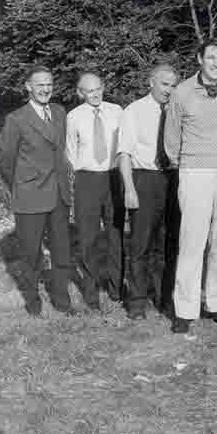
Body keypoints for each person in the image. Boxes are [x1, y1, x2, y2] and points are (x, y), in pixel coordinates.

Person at [165, 38, 217, 337]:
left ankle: (216, 302)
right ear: (200, 58)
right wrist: (185, 164)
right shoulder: (182, 91)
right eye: (211, 57)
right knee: (193, 241)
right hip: (194, 170)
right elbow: (171, 138)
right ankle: (184, 309)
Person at [0, 66, 74, 315]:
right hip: (30, 197)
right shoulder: (16, 119)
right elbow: (6, 162)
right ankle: (33, 304)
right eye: (39, 84)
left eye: (49, 84)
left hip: (59, 195)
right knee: (31, 255)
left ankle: (62, 302)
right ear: (28, 87)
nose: (45, 89)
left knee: (62, 252)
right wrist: (22, 187)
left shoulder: (60, 112)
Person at [117, 62, 179, 320]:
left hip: (173, 179)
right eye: (165, 84)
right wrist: (129, 188)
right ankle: (138, 301)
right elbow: (124, 154)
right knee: (141, 244)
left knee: (169, 244)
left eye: (174, 85)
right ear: (150, 82)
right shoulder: (134, 110)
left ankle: (167, 299)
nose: (169, 90)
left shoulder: (178, 109)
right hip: (145, 179)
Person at [66, 71, 124, 310]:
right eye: (89, 90)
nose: (95, 93)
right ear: (81, 93)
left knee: (115, 235)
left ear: (103, 87)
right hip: (87, 180)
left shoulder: (117, 111)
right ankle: (90, 292)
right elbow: (70, 152)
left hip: (113, 178)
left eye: (98, 88)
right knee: (88, 238)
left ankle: (116, 289)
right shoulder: (73, 117)